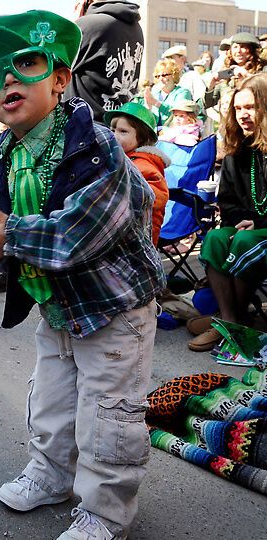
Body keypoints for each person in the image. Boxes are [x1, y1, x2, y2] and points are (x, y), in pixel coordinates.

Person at [0, 10, 164, 539]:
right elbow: (1, 221)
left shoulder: (98, 147)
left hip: (114, 309)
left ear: (61, 79)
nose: (9, 80)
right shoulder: (2, 155)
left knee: (108, 415)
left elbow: (82, 231)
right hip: (59, 306)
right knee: (50, 401)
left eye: (26, 63)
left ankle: (104, 511)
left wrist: (10, 238)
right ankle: (49, 475)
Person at [188, 73, 267, 352]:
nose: (242, 115)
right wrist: (239, 220)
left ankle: (226, 322)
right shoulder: (238, 150)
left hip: (261, 230)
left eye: (250, 107)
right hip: (251, 227)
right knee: (215, 238)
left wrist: (256, 221)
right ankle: (233, 320)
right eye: (238, 108)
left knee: (244, 242)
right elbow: (228, 200)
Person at [64, 0, 144, 122]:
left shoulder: (89, 24)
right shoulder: (137, 29)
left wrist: (74, 26)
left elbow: (54, 71)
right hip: (116, 126)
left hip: (82, 126)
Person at [104, 102, 169, 245]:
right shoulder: (119, 158)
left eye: (123, 131)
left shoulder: (144, 166)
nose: (114, 136)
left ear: (142, 138)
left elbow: (155, 199)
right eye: (112, 129)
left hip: (138, 241)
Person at [141, 57, 193, 127]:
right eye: (157, 76)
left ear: (174, 75)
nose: (161, 78)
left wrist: (155, 102)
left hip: (174, 134)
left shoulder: (183, 92)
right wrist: (148, 108)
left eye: (164, 75)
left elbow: (178, 113)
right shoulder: (154, 94)